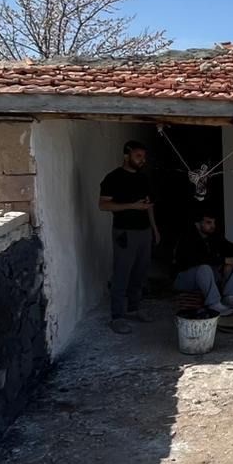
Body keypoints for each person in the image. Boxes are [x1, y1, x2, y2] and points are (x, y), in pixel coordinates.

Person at [99, 140, 160, 333]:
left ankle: (134, 308)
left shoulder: (143, 178)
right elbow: (103, 205)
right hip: (124, 232)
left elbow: (148, 205)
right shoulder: (113, 178)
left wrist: (154, 229)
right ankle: (117, 316)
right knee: (122, 273)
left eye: (144, 156)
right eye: (138, 156)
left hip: (144, 231)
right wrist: (132, 206)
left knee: (140, 272)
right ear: (127, 155)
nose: (142, 160)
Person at [171, 212, 233, 316]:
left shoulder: (213, 235)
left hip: (206, 276)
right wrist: (223, 260)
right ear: (198, 224)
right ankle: (214, 303)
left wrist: (227, 265)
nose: (213, 226)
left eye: (214, 223)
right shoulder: (187, 236)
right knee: (204, 268)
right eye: (208, 222)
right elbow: (197, 259)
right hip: (184, 278)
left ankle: (229, 297)